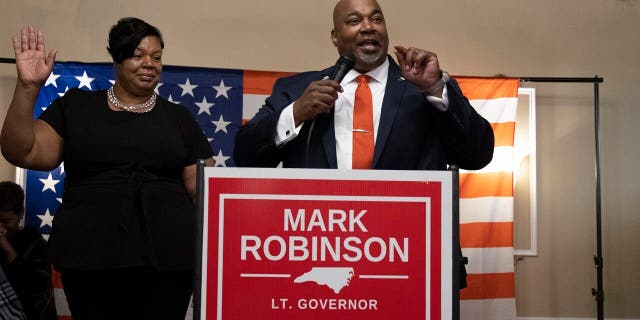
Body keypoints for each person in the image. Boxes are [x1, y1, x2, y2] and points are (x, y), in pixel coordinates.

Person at [234, 0, 495, 288]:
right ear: (335, 36)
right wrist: (296, 113)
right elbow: (245, 156)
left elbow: (478, 154)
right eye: (354, 20)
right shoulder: (296, 90)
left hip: (411, 260)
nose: (368, 27)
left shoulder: (423, 87)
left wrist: (434, 90)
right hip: (322, 258)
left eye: (377, 19)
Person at [1, 18, 214, 319]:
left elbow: (202, 190)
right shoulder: (76, 106)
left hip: (168, 259)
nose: (149, 64)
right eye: (138, 55)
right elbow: (21, 150)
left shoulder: (179, 118)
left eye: (156, 57)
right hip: (90, 256)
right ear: (117, 58)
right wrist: (27, 87)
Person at [0, 181, 56, 320]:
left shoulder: (36, 244)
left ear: (21, 214)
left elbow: (35, 287)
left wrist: (6, 248)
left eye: (6, 221)